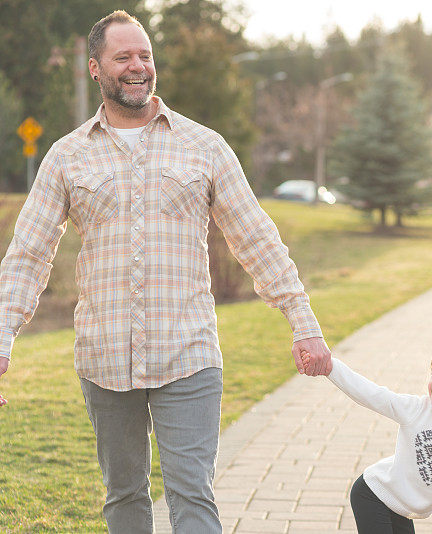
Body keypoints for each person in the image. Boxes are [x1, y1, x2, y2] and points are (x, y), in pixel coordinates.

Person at [0, 10, 331, 534]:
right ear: (95, 68)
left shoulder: (204, 146)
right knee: (124, 495)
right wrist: (3, 337)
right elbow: (28, 254)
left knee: (192, 497)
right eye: (123, 57)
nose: (138, 67)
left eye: (145, 56)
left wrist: (303, 321)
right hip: (104, 358)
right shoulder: (66, 157)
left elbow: (256, 238)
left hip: (189, 355)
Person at [302, 337, 432, 533]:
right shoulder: (417, 409)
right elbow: (372, 394)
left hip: (402, 509)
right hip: (373, 493)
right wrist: (331, 368)